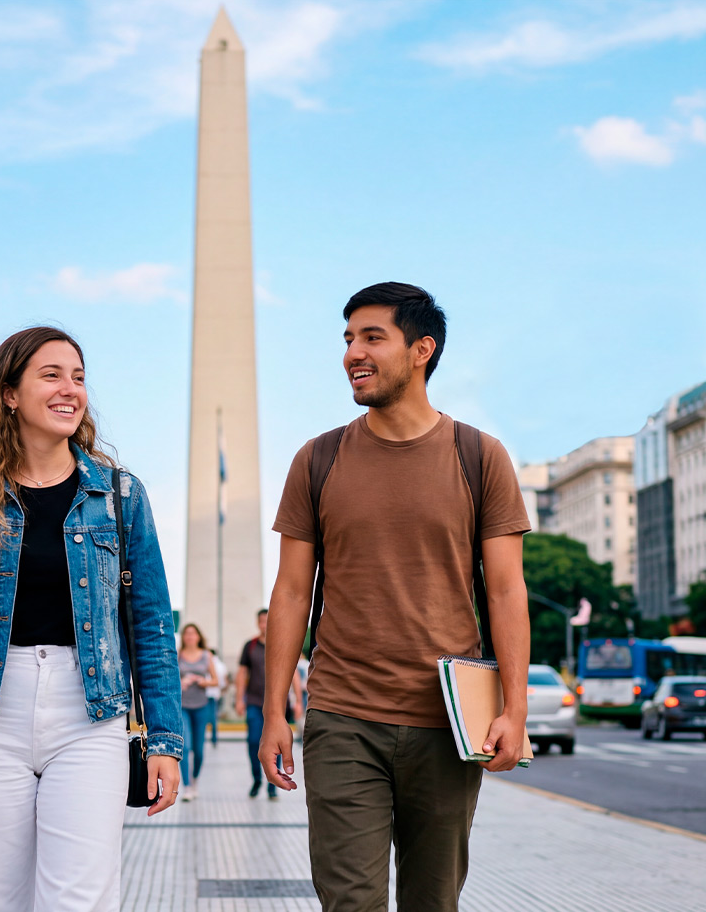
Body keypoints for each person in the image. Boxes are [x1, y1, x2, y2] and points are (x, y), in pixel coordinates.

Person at [258, 282, 531, 910]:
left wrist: (514, 708)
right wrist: (276, 708)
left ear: (421, 350)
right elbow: (292, 590)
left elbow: (508, 590)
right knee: (350, 901)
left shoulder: (479, 457)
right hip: (343, 717)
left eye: (372, 337)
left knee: (432, 903)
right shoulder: (318, 459)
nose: (354, 351)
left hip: (447, 722)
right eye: (348, 338)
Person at [0, 326, 183, 912]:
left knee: (79, 899)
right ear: (9, 394)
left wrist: (166, 740)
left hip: (90, 714)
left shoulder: (121, 497)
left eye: (78, 377)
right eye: (51, 375)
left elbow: (152, 627)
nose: (70, 390)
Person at [236, 609, 303, 800]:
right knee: (252, 741)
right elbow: (242, 674)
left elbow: (295, 674)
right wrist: (239, 699)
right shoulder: (250, 646)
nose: (265, 625)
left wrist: (298, 700)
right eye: (262, 621)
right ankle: (257, 779)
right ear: (258, 624)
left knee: (279, 743)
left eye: (268, 621)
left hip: (280, 705)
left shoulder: (283, 644)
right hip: (255, 702)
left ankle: (273, 784)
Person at [177, 623, 219, 800]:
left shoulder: (206, 655)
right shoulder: (178, 656)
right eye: (187, 634)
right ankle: (186, 786)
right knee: (185, 747)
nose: (190, 637)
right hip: (183, 706)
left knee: (199, 750)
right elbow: (170, 680)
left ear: (198, 637)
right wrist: (182, 682)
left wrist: (203, 681)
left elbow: (216, 681)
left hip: (201, 706)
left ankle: (194, 780)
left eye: (193, 634)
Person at [205, 647, 228, 747]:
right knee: (214, 718)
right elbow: (224, 682)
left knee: (204, 718)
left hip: (205, 694)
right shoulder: (221, 665)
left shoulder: (207, 662)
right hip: (215, 694)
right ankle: (214, 739)